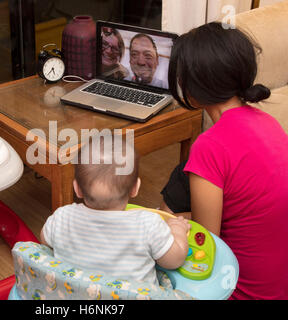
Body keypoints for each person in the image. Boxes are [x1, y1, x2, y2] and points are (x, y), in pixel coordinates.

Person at [160, 22, 288, 299]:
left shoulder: (209, 147)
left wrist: (165, 223)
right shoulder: (270, 123)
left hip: (240, 289)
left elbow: (206, 243)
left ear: (193, 86)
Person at [40, 135, 191, 285]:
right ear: (135, 189)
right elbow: (174, 260)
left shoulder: (62, 217)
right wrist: (177, 230)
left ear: (77, 189)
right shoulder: (147, 224)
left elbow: (44, 240)